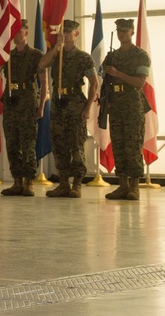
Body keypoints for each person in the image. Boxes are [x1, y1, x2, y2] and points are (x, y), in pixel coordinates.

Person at [38, 19, 98, 198]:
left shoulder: (84, 57)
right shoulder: (57, 55)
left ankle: (77, 184)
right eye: (63, 32)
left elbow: (94, 84)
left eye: (69, 32)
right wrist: (56, 46)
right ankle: (63, 183)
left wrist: (88, 108)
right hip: (58, 105)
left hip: (75, 104)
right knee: (60, 145)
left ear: (76, 34)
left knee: (76, 145)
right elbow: (42, 65)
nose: (66, 35)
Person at [0, 20, 48, 196]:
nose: (14, 35)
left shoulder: (35, 55)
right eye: (12, 32)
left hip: (27, 101)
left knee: (28, 143)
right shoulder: (8, 55)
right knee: (12, 143)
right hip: (11, 102)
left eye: (18, 31)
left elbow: (44, 82)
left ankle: (28, 181)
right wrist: (0, 54)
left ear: (25, 33)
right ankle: (17, 181)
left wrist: (41, 106)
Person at [102, 18, 151, 201]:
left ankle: (135, 186)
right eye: (119, 31)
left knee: (133, 145)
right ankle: (123, 185)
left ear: (132, 31)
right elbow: (104, 77)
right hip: (116, 105)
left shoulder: (140, 55)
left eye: (125, 30)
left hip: (132, 105)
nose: (122, 34)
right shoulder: (112, 56)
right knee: (119, 145)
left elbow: (139, 82)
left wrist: (118, 74)